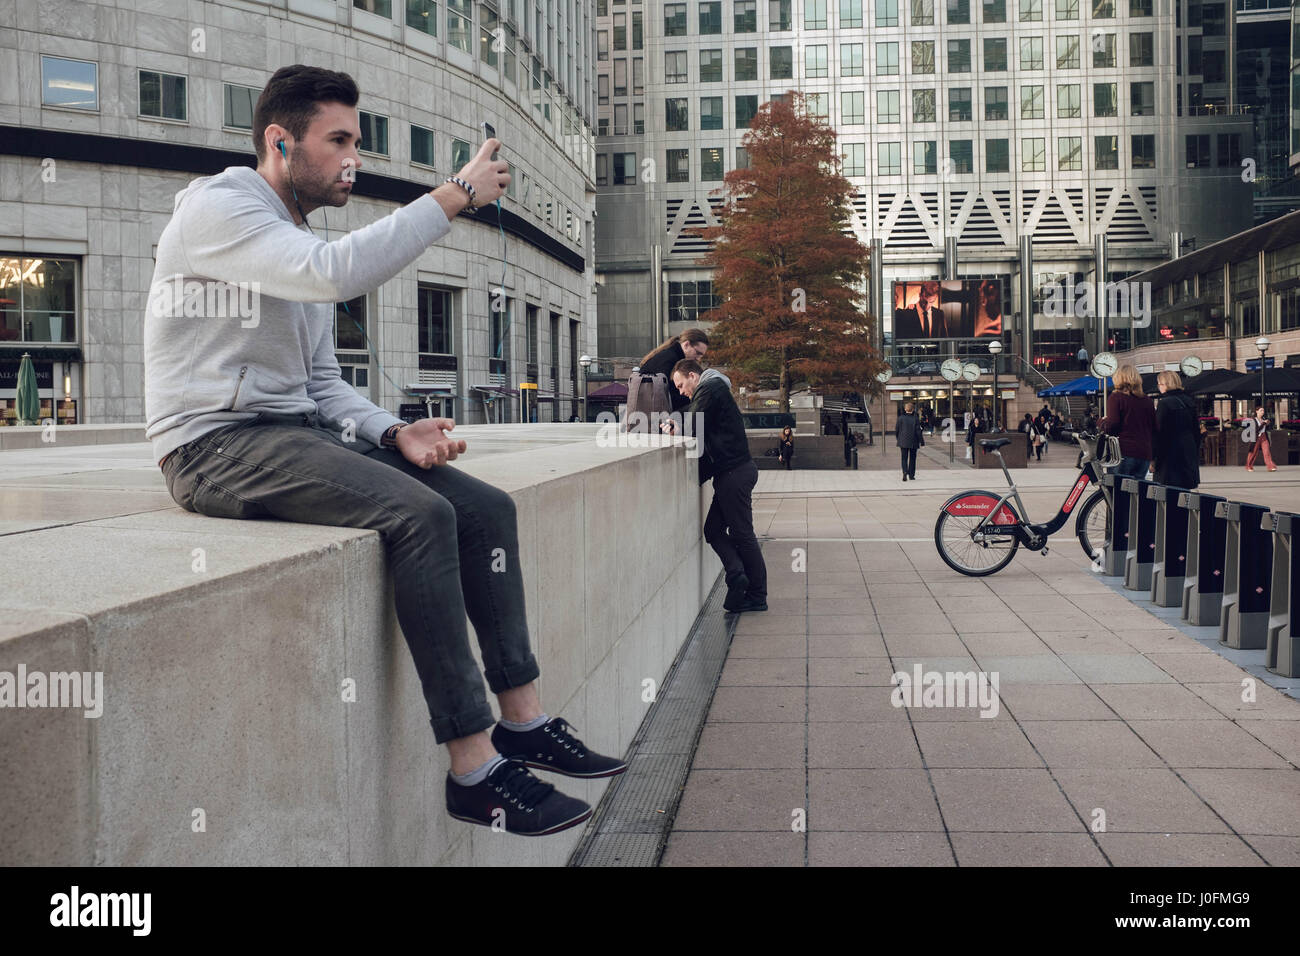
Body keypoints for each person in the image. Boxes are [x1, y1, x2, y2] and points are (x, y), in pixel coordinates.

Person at [144, 66, 623, 838]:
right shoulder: (219, 208)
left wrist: (391, 432)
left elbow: (324, 381)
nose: (352, 159)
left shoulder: (292, 235)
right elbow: (331, 277)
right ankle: (474, 769)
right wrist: (456, 194)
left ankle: (524, 722)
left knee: (484, 507)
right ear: (279, 140)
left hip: (295, 433)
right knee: (419, 514)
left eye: (355, 142)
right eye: (338, 141)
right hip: (211, 446)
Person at [668, 359, 768, 613]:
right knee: (713, 529)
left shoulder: (710, 388)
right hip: (731, 473)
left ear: (692, 376)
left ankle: (757, 595)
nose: (680, 391)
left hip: (734, 473)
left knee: (742, 535)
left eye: (680, 385)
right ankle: (737, 575)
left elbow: (694, 426)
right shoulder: (713, 389)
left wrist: (677, 426)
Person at [1097, 364, 1157, 479]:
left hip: (1123, 452)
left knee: (1118, 493)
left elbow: (1112, 427)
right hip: (1144, 453)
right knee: (1137, 493)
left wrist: (1100, 422)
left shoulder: (1116, 398)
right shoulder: (1147, 400)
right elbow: (1154, 428)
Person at [636, 328, 710, 412]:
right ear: (686, 345)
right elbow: (674, 397)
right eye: (698, 353)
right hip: (657, 413)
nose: (699, 358)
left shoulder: (669, 354)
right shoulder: (672, 360)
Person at [1152, 370, 1201, 488]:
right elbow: (1196, 431)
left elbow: (1159, 433)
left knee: (1167, 496)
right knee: (1184, 497)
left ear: (1165, 385)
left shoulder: (1164, 403)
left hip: (1169, 457)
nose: (1158, 387)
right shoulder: (1189, 401)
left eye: (1159, 384)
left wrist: (1154, 459)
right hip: (1188, 453)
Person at [1245, 405, 1278, 472]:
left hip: (1264, 437)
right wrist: (1263, 424)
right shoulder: (1253, 420)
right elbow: (1256, 430)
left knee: (1267, 452)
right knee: (1253, 452)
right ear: (1256, 411)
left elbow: (1266, 429)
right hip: (1256, 438)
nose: (1262, 412)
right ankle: (1249, 466)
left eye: (1263, 410)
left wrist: (1267, 424)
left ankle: (1270, 467)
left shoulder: (1264, 419)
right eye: (1261, 410)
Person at [896, 401, 924, 479]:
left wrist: (898, 439)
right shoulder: (915, 418)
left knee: (904, 458)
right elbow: (918, 431)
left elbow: (897, 430)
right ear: (913, 409)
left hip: (903, 441)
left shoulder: (900, 418)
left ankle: (904, 472)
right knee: (912, 458)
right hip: (913, 441)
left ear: (905, 409)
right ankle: (911, 475)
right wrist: (922, 442)